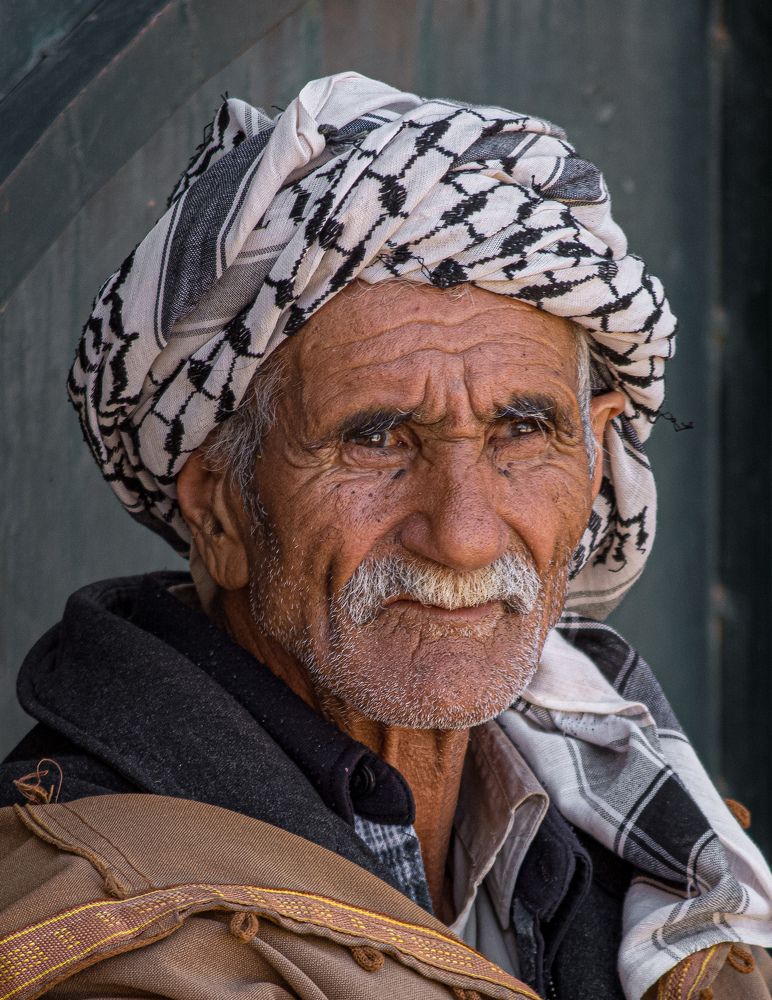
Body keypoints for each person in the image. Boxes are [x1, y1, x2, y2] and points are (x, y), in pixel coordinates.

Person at [0, 72, 769, 1000]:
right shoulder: (97, 933)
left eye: (522, 432)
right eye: (376, 440)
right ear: (219, 509)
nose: (464, 536)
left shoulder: (649, 845)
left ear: (597, 461)